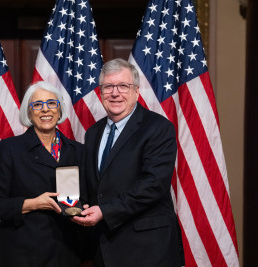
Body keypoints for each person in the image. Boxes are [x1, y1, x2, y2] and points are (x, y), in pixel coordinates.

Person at [72, 58, 185, 267]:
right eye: (108, 87)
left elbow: (153, 185)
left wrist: (105, 211)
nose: (115, 93)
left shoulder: (158, 128)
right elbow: (94, 187)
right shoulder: (93, 133)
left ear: (136, 91)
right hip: (104, 249)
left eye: (123, 86)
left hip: (148, 250)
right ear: (100, 92)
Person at [0, 81, 84, 267]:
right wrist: (34, 203)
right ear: (28, 113)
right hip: (20, 254)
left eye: (52, 103)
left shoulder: (79, 151)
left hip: (66, 254)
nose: (46, 110)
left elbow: (85, 199)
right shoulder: (10, 149)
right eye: (37, 105)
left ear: (59, 110)